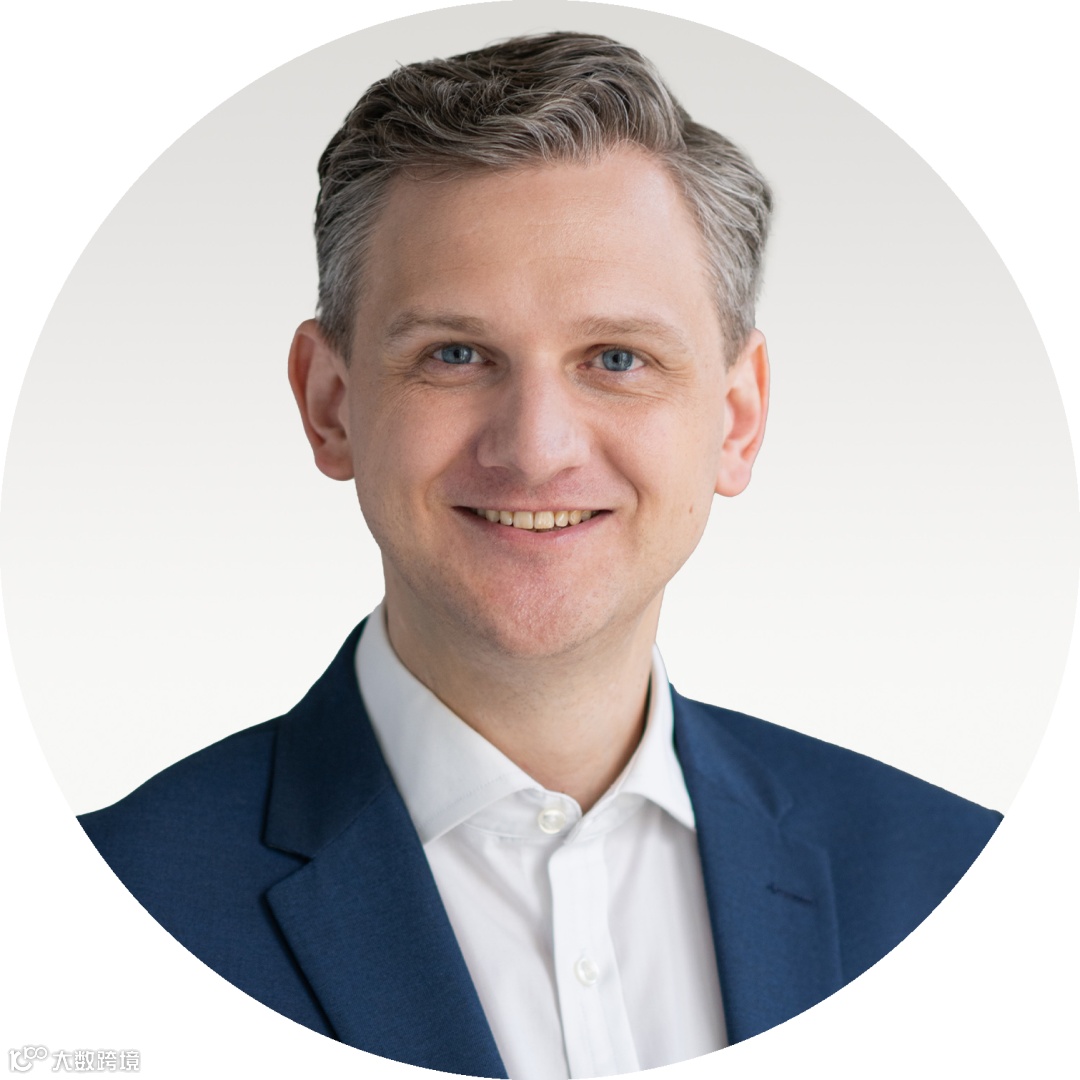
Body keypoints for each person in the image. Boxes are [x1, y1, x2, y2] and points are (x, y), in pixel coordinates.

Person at [79, 31, 1000, 1079]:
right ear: (330, 405)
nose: (536, 448)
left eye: (617, 358)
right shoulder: (100, 909)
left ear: (737, 420)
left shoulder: (957, 883)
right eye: (455, 355)